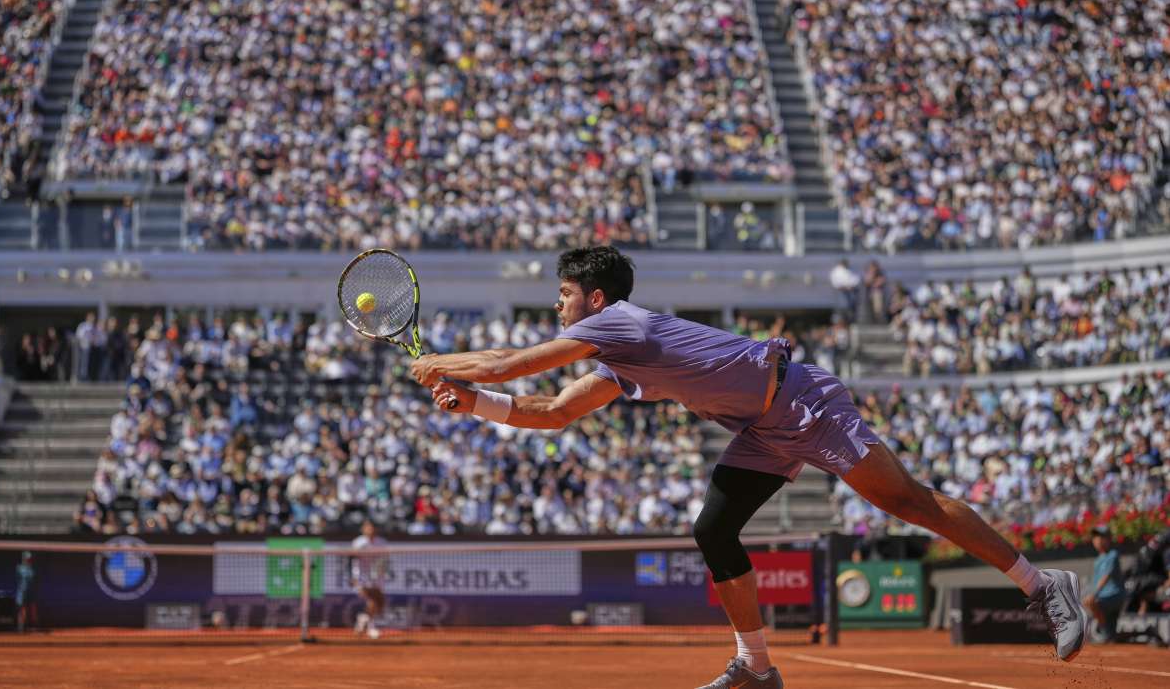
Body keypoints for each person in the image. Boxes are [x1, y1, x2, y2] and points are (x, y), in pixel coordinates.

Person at [412, 246, 1086, 689]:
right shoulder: (622, 357)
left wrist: (445, 365)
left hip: (805, 404)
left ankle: (1042, 583)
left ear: (594, 299)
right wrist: (471, 403)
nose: (556, 306)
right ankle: (757, 667)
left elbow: (511, 365)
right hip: (763, 428)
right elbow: (551, 412)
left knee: (906, 502)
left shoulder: (619, 322)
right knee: (715, 530)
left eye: (563, 294)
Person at [1084, 525, 1125, 642]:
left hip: (1115, 595)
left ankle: (1105, 633)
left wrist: (1093, 595)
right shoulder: (1097, 560)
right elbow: (1095, 581)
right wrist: (1089, 594)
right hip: (1104, 596)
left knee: (1093, 602)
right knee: (1111, 629)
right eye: (1096, 538)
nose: (1098, 540)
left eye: (1102, 537)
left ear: (1109, 539)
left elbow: (1105, 578)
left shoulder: (1113, 555)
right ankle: (1108, 634)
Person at [350, 521, 388, 639]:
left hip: (377, 577)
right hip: (361, 576)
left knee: (380, 603)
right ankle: (371, 628)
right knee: (371, 601)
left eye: (372, 527)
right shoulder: (358, 542)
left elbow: (385, 560)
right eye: (367, 527)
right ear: (363, 529)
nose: (370, 529)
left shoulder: (382, 542)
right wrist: (352, 577)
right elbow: (351, 558)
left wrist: (381, 571)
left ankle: (363, 619)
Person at [15, 551, 38, 632]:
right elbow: (20, 578)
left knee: (32, 609)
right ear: (24, 559)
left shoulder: (32, 569)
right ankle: (21, 627)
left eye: (29, 559)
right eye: (27, 559)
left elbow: (32, 580)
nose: (29, 560)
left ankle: (32, 627)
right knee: (21, 609)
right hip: (21, 591)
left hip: (30, 591)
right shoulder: (19, 568)